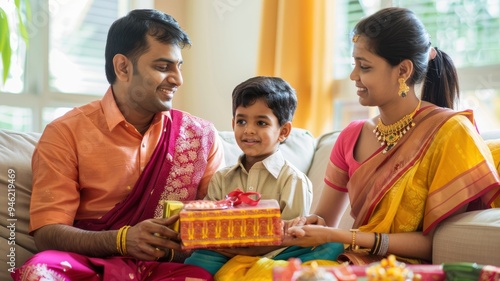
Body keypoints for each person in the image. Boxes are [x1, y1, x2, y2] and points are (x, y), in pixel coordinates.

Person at [11, 9, 224, 281]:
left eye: (178, 66)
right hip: (86, 264)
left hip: (163, 268)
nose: (177, 79)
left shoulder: (200, 137)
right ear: (123, 67)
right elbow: (48, 232)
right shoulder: (65, 133)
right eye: (162, 67)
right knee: (38, 272)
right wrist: (122, 241)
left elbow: (216, 223)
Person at [282, 7, 500, 264]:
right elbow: (324, 221)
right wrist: (307, 226)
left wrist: (342, 236)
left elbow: (438, 243)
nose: (353, 76)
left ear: (403, 71)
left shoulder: (451, 132)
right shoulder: (351, 136)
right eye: (354, 65)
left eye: (364, 67)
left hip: (407, 269)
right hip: (350, 261)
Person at [184, 76, 343, 278]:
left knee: (331, 247)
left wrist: (246, 251)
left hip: (275, 254)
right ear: (233, 124)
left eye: (261, 122)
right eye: (241, 121)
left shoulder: (293, 180)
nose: (249, 130)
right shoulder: (222, 178)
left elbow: (291, 236)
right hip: (224, 252)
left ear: (283, 131)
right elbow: (210, 225)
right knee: (197, 261)